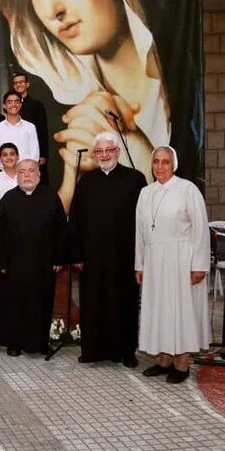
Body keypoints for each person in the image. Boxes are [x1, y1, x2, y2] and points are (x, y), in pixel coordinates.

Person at [0, 0, 174, 212]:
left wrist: (139, 153)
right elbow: (60, 220)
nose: (52, 9)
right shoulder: (66, 118)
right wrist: (73, 173)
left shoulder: (182, 88)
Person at [69, 133, 147, 367]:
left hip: (124, 256)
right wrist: (76, 253)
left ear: (118, 152)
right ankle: (93, 350)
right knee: (93, 302)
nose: (104, 155)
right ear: (94, 155)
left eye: (109, 150)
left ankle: (127, 351)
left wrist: (141, 258)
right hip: (92, 256)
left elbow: (143, 221)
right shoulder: (86, 181)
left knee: (125, 302)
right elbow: (76, 219)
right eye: (99, 151)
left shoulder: (135, 179)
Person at [135, 146, 209, 384]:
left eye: (165, 162)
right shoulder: (146, 193)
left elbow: (200, 230)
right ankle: (164, 359)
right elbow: (140, 233)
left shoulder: (188, 189)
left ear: (173, 164)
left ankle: (183, 362)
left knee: (181, 310)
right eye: (156, 161)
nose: (159, 166)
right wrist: (140, 264)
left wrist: (198, 264)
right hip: (155, 260)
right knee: (160, 309)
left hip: (181, 258)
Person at [0, 160, 67, 357]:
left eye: (31, 171)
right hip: (14, 264)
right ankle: (14, 343)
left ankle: (39, 343)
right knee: (14, 304)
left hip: (43, 263)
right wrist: (2, 263)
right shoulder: (8, 199)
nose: (27, 175)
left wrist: (59, 258)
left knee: (41, 303)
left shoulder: (51, 198)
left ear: (39, 175)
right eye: (22, 172)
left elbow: (61, 230)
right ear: (17, 175)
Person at [13, 72, 50, 185]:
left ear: (27, 84)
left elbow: (43, 130)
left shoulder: (36, 105)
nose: (19, 85)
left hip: (35, 152)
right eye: (16, 83)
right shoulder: (12, 106)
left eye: (21, 82)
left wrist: (43, 154)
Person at [0, 90, 39, 171]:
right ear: (4, 106)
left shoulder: (30, 127)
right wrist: (9, 170)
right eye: (9, 102)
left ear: (20, 105)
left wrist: (24, 171)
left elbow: (35, 155)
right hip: (5, 174)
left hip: (26, 174)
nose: (13, 104)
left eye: (16, 101)